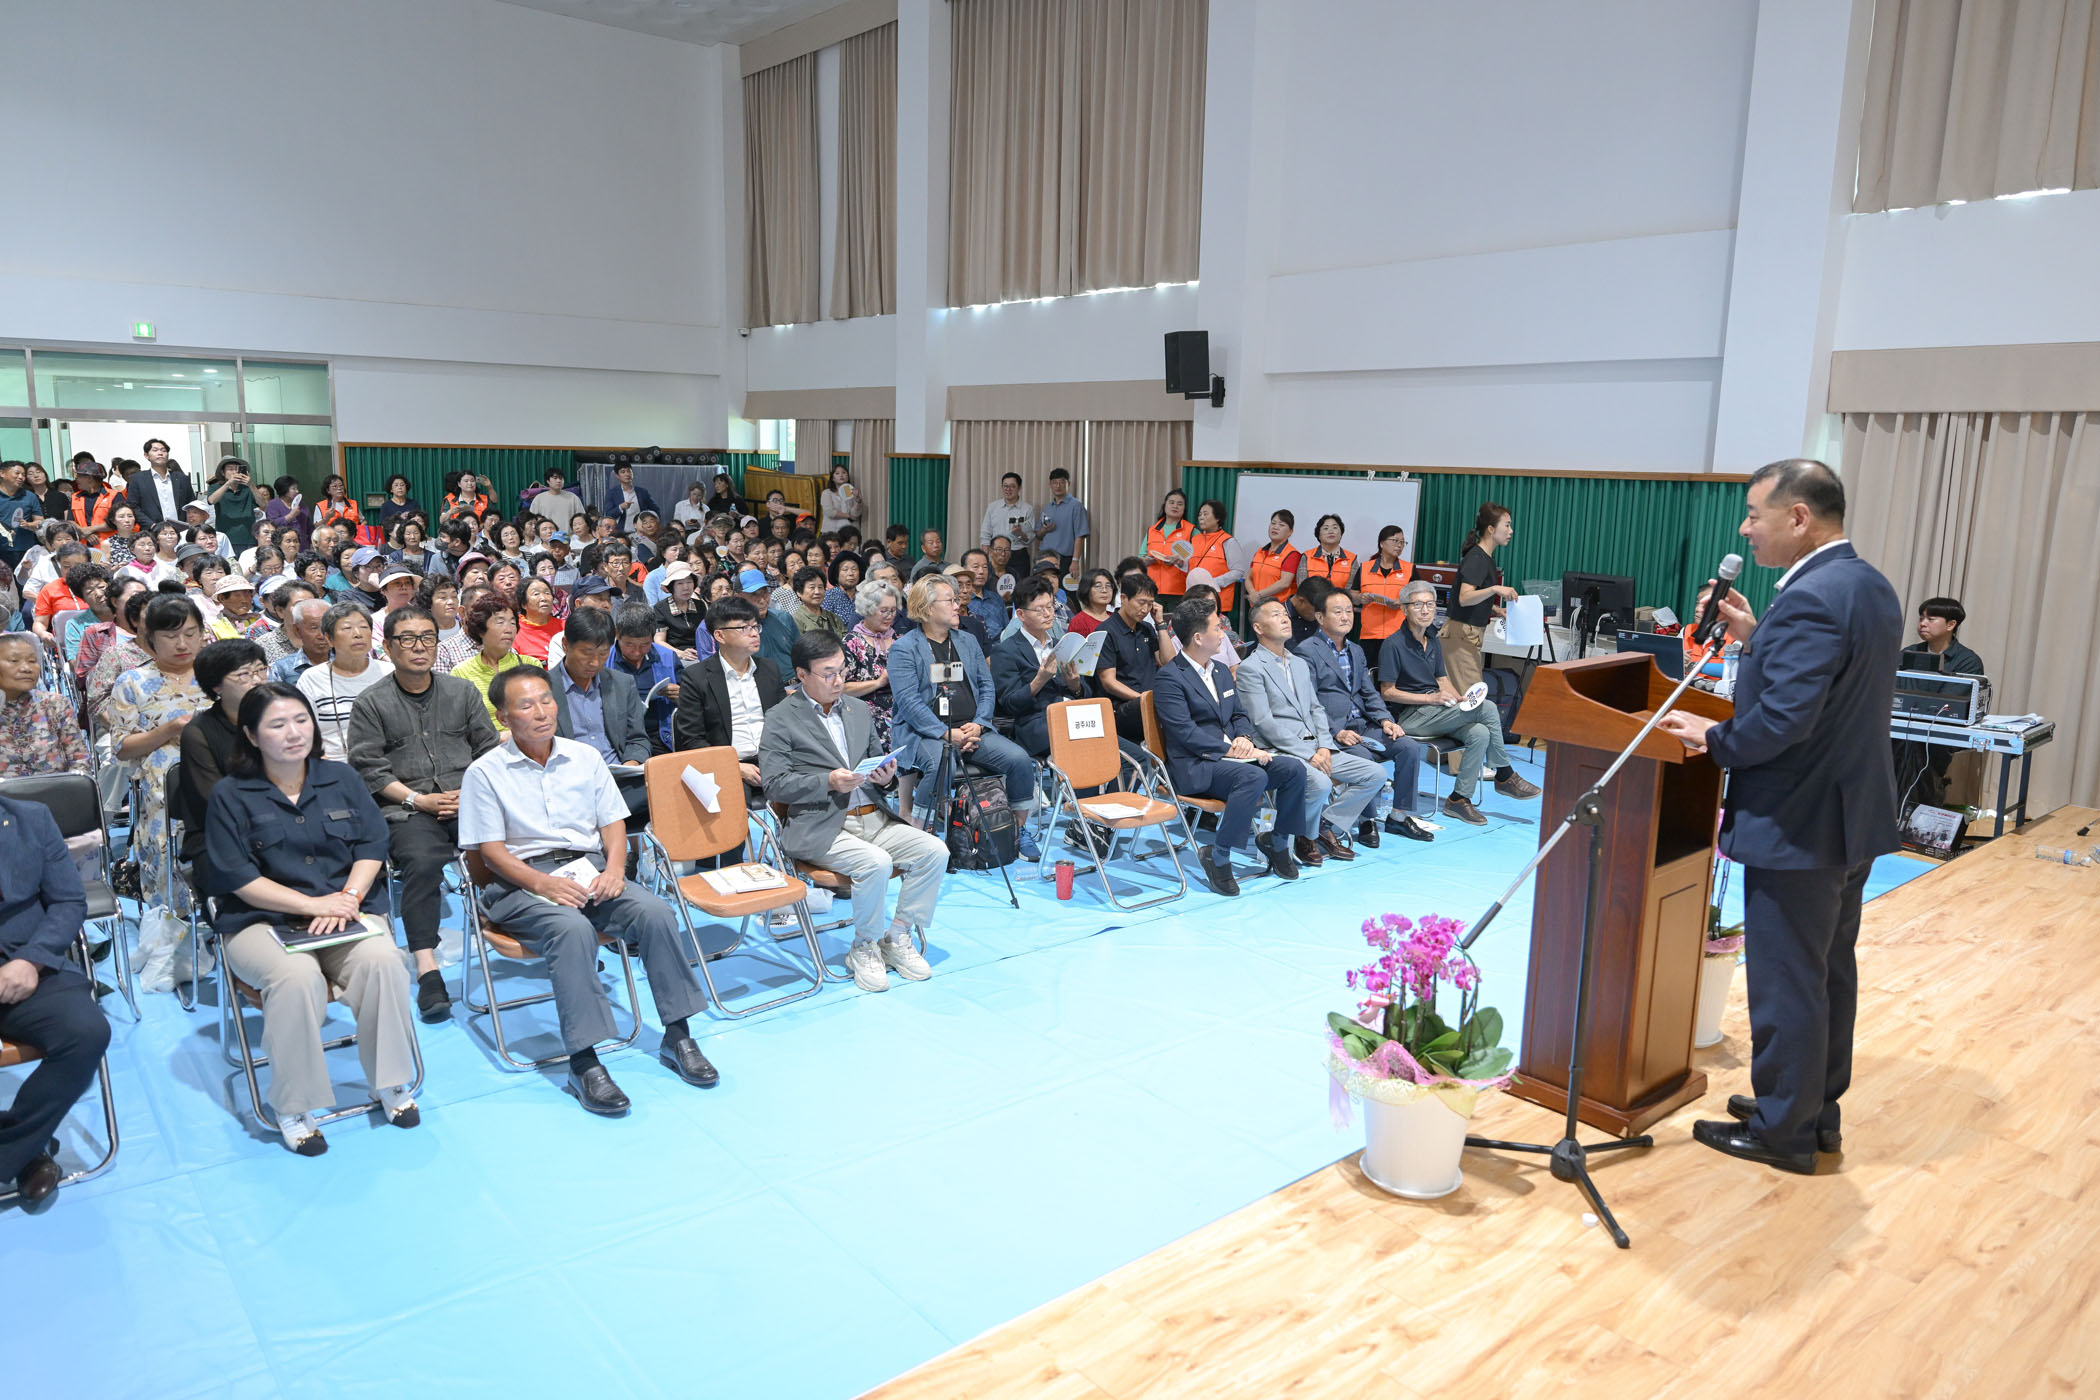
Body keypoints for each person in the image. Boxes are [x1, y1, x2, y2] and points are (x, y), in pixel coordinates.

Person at [1653, 460, 1901, 1176]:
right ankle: (1810, 1111)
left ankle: (1782, 1131)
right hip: (1847, 814)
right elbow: (1827, 681)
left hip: (1799, 822)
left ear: (1799, 517)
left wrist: (1716, 738)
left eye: (1755, 514)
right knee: (1827, 972)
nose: (1744, 529)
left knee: (1788, 978)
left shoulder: (1811, 597)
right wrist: (1755, 636)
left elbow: (1787, 718)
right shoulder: (1865, 584)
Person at [460, 666, 717, 1115]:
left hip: (589, 869)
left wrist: (616, 870)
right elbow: (491, 852)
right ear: (503, 717)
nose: (541, 712)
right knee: (571, 929)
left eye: (546, 700)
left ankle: (678, 1036)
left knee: (655, 912)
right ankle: (583, 1062)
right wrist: (543, 883)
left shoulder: (584, 757)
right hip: (520, 881)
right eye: (526, 705)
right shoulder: (484, 773)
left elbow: (612, 822)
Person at [204, 684, 419, 1153]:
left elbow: (372, 844)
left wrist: (348, 897)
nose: (294, 733)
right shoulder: (230, 794)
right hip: (260, 921)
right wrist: (316, 906)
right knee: (295, 976)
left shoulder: (340, 778)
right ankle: (295, 1105)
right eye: (277, 725)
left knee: (383, 960)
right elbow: (239, 878)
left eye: (301, 720)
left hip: (343, 910)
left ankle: (389, 1081)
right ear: (251, 736)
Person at [760, 630, 945, 994]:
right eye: (828, 673)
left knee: (934, 851)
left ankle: (897, 936)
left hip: (873, 816)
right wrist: (828, 781)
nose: (839, 680)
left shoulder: (858, 709)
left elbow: (876, 764)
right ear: (802, 675)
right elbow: (776, 785)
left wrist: (886, 777)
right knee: (875, 862)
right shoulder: (781, 718)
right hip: (822, 824)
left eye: (842, 670)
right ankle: (864, 946)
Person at [344, 606, 498, 1023]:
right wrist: (417, 800)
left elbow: (487, 751)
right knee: (422, 861)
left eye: (427, 637)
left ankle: (538, 928)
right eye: (408, 639)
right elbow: (370, 769)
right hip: (407, 808)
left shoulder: (462, 692)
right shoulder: (371, 702)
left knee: (511, 844)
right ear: (388, 647)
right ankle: (427, 969)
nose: (419, 647)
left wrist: (471, 793)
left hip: (468, 800)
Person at [1152, 600, 1311, 895]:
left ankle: (1277, 842)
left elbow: (1239, 715)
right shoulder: (1170, 678)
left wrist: (1244, 738)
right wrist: (1231, 751)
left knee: (1293, 769)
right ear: (1198, 638)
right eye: (1217, 628)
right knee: (1252, 776)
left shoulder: (1222, 671)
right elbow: (1184, 733)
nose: (1223, 633)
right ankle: (1219, 855)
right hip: (1195, 765)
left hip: (1232, 758)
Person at [0, 792, 111, 1207]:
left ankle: (13, 1149)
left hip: (27, 963)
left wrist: (31, 960)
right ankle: (28, 1152)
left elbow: (68, 900)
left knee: (85, 1032)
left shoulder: (31, 819)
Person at [1378, 580, 1540, 827]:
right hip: (1411, 717)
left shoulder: (1433, 639)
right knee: (1487, 708)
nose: (1425, 610)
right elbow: (1388, 693)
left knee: (1480, 732)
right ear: (1404, 608)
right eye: (1418, 605)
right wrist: (1430, 698)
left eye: (1430, 604)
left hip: (1437, 711)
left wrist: (1458, 699)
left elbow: (1442, 680)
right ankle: (1505, 774)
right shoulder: (1393, 644)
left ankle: (1459, 799)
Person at [888, 573, 1040, 831]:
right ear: (928, 607)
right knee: (940, 764)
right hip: (926, 732)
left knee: (1019, 759)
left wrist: (979, 724)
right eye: (950, 601)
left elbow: (987, 687)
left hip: (972, 729)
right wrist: (946, 733)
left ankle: (1016, 830)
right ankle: (920, 829)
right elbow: (909, 703)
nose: (957, 606)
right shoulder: (904, 648)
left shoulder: (967, 641)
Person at [1238, 599, 1383, 864]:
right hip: (1281, 750)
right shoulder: (1251, 667)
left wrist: (1325, 746)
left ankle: (1321, 826)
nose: (1285, 618)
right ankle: (1304, 836)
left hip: (1317, 746)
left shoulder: (1298, 663)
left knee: (1375, 774)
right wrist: (1309, 754)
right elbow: (1263, 723)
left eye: (1285, 614)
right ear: (1258, 628)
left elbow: (1316, 709)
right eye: (1276, 615)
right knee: (1320, 782)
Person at [1294, 587, 1441, 838]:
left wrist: (1386, 720)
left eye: (1349, 611)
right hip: (1332, 731)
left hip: (1362, 724)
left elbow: (1369, 693)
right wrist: (1336, 732)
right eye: (1337, 612)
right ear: (1320, 617)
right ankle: (1367, 820)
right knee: (1364, 758)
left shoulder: (1356, 650)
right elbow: (1308, 701)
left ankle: (1399, 816)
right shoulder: (1307, 650)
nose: (1345, 617)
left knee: (1408, 747)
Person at [105, 596, 210, 911]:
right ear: (150, 638)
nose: (182, 643)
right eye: (170, 636)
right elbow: (122, 748)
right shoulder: (132, 682)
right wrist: (169, 730)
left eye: (190, 633)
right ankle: (173, 918)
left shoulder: (217, 675)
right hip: (162, 787)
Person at [673, 595, 787, 805]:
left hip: (773, 761)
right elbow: (691, 739)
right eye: (744, 628)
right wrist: (733, 766)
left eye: (755, 626)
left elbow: (785, 724)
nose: (754, 633)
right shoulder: (697, 677)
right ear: (720, 635)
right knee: (735, 801)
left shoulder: (769, 670)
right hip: (725, 765)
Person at [175, 640, 269, 878]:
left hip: (285, 822)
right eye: (244, 674)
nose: (257, 680)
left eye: (260, 670)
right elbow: (215, 801)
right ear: (217, 686)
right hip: (223, 834)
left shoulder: (281, 716)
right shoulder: (198, 733)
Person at [548, 606, 651, 821]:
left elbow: (638, 739)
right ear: (566, 645)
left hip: (619, 782)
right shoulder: (543, 688)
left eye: (603, 654)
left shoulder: (622, 684)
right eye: (586, 653)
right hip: (568, 785)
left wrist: (630, 765)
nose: (595, 662)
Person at [990, 575, 1086, 762]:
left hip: (1073, 716)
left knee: (1124, 750)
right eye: (1040, 609)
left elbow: (1084, 691)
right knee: (1088, 747)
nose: (1048, 614)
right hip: (1036, 725)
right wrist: (1039, 680)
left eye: (1050, 607)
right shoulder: (1006, 651)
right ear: (1021, 615)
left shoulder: (1061, 644)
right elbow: (1009, 704)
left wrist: (1076, 686)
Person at [297, 602, 393, 762]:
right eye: (347, 628)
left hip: (386, 765)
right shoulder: (312, 678)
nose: (358, 634)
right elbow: (302, 733)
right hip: (333, 766)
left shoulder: (389, 673)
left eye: (364, 627)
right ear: (329, 639)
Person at [1094, 572, 1178, 744]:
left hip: (1150, 702)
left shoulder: (1147, 628)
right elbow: (1108, 682)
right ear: (1124, 599)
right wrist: (1143, 699)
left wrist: (1160, 624)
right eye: (1141, 602)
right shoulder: (1106, 631)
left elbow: (1168, 662)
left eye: (1150, 604)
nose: (1145, 610)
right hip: (1123, 707)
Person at [1446, 502, 1518, 695]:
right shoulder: (1477, 558)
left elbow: (1475, 596)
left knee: (1469, 693)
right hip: (1461, 634)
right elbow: (1464, 597)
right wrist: (1495, 589)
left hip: (1470, 635)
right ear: (1491, 529)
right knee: (1470, 696)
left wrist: (1495, 609)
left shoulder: (1487, 558)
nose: (1511, 531)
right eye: (1507, 525)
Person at [0, 632, 88, 777]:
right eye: (14, 661)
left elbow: (79, 760)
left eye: (32, 661)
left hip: (56, 789)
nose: (26, 668)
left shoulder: (55, 704)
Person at [450, 589, 541, 724]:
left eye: (512, 623)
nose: (509, 629)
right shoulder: (461, 672)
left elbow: (541, 712)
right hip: (482, 737)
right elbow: (459, 722)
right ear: (481, 630)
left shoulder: (531, 665)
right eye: (500, 622)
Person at [610, 604, 680, 754]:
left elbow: (692, 700)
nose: (637, 652)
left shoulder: (667, 657)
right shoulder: (604, 660)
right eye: (629, 644)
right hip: (618, 738)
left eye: (645, 645)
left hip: (660, 736)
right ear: (617, 634)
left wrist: (682, 696)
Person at [841, 578, 901, 749]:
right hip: (866, 712)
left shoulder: (899, 640)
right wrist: (878, 682)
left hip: (901, 707)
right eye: (884, 610)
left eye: (893, 610)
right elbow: (842, 688)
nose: (890, 616)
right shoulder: (851, 643)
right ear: (868, 610)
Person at [1357, 525, 1413, 650]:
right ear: (1381, 544)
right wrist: (1360, 597)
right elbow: (1352, 594)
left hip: (1399, 634)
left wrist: (1403, 601)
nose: (1399, 545)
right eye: (1395, 541)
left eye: (1402, 542)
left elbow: (1418, 597)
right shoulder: (1364, 568)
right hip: (1370, 634)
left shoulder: (1409, 569)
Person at [123, 439, 196, 528]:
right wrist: (151, 525)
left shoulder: (181, 478)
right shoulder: (138, 479)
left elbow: (192, 504)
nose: (160, 453)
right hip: (152, 530)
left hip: (181, 529)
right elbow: (133, 506)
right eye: (155, 450)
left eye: (163, 450)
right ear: (146, 455)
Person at [1247, 508, 1305, 610]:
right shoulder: (1260, 551)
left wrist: (1259, 595)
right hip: (1256, 607)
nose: (1275, 527)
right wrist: (1252, 593)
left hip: (1278, 608)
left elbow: (1284, 583)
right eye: (1273, 523)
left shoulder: (1292, 554)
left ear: (1290, 532)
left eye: (1281, 525)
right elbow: (1248, 577)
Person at [268, 597, 334, 685]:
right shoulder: (280, 669)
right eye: (313, 628)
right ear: (297, 630)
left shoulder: (347, 662)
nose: (321, 636)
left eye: (326, 627)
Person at [652, 560, 708, 660]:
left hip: (701, 653)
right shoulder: (661, 608)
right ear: (671, 586)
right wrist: (680, 654)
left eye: (689, 582)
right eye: (680, 583)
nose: (686, 587)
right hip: (675, 656)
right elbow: (659, 641)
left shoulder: (700, 605)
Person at [980, 472, 1036, 569]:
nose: (1008, 489)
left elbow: (1030, 538)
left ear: (1019, 488)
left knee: (1020, 579)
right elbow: (985, 534)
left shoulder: (1027, 509)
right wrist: (985, 558)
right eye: (1005, 486)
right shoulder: (993, 507)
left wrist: (1020, 533)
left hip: (1018, 555)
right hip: (997, 554)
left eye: (1012, 486)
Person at [1037, 467, 1089, 569]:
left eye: (1061, 482)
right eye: (1054, 483)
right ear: (1050, 485)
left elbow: (1080, 536)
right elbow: (1038, 535)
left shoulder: (1076, 506)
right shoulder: (1047, 507)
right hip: (1044, 557)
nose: (1058, 486)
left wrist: (1075, 561)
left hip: (1064, 559)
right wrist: (1044, 530)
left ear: (1068, 484)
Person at [206, 457, 261, 553]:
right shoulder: (215, 487)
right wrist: (228, 484)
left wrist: (251, 485)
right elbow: (211, 500)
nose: (234, 472)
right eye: (230, 469)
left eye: (237, 469)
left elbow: (263, 504)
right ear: (223, 472)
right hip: (225, 537)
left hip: (248, 537)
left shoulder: (248, 488)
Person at [67, 459, 119, 542]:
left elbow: (118, 521)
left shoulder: (114, 496)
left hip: (109, 545)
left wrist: (90, 529)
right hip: (83, 547)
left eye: (79, 476)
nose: (76, 479)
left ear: (90, 478)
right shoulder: (75, 497)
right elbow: (70, 521)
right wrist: (85, 533)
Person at [512, 577, 562, 662]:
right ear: (524, 604)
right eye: (536, 594)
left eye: (547, 593)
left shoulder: (565, 626)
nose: (543, 598)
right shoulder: (514, 629)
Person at [601, 464, 657, 536]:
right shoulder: (612, 493)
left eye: (629, 471)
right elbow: (608, 515)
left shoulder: (642, 492)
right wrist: (620, 507)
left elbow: (655, 509)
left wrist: (655, 524)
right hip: (621, 533)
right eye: (623, 472)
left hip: (642, 533)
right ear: (617, 475)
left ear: (632, 473)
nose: (627, 474)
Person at [788, 566, 842, 638]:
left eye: (820, 587)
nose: (817, 592)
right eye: (812, 587)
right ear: (799, 592)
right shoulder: (795, 620)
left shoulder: (833, 617)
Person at [264, 475, 312, 553]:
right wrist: (290, 516)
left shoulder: (302, 505)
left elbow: (309, 527)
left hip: (303, 546)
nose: (297, 491)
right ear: (284, 490)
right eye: (293, 489)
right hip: (282, 548)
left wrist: (311, 543)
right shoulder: (273, 504)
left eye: (297, 488)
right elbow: (272, 524)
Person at [1068, 568, 1115, 638]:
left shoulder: (1116, 619)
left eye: (1108, 586)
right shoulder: (1079, 622)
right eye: (1098, 586)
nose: (1104, 590)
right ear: (1086, 589)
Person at [819, 462, 863, 536]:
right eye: (837, 473)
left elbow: (855, 515)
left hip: (850, 531)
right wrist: (848, 515)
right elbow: (830, 512)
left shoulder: (853, 491)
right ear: (832, 478)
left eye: (844, 473)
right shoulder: (827, 493)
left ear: (848, 476)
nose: (841, 475)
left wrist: (858, 501)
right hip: (831, 532)